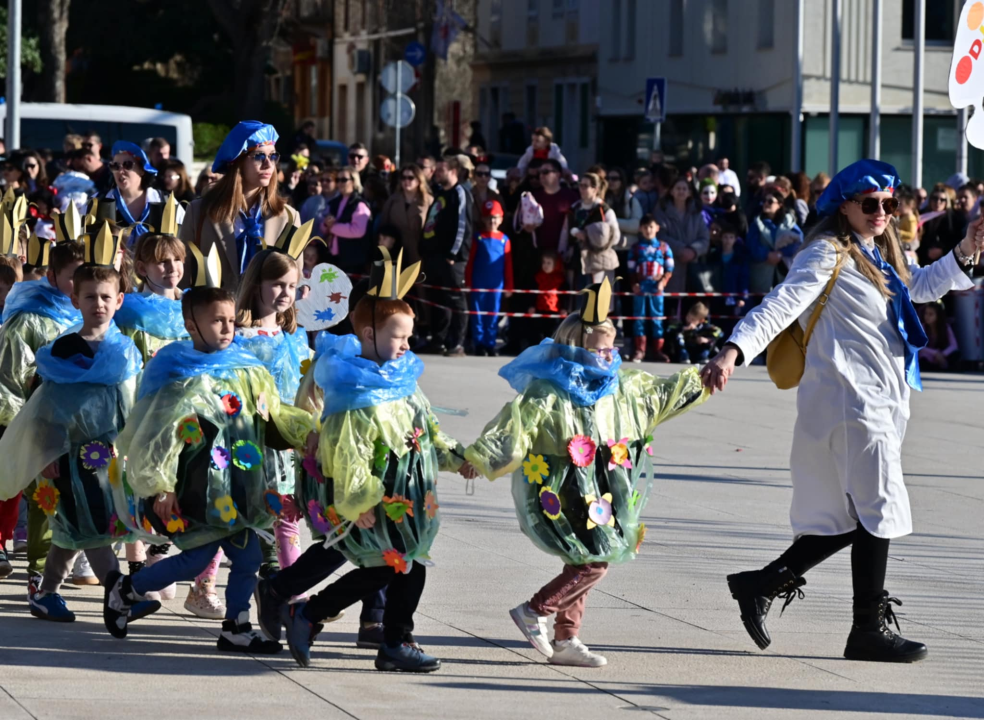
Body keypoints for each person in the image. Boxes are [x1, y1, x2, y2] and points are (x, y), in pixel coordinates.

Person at [700, 159, 983, 663]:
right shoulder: (826, 252)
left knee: (847, 519)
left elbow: (919, 287)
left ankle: (761, 584)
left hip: (877, 400)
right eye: (870, 203)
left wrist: (966, 249)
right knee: (880, 509)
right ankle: (867, 628)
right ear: (844, 206)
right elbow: (780, 305)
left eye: (889, 203)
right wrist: (732, 351)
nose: (882, 212)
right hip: (852, 402)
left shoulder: (881, 251)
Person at [466, 280, 707, 668]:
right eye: (599, 350)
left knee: (586, 560)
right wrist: (482, 457)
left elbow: (659, 394)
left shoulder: (618, 386)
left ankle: (567, 638)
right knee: (593, 561)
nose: (609, 356)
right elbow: (516, 425)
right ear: (573, 349)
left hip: (601, 485)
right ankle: (536, 609)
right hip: (564, 486)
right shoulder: (549, 390)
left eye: (612, 348)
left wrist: (706, 376)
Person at [102, 253, 317, 652]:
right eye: (217, 320)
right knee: (195, 559)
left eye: (231, 320)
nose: (227, 328)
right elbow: (157, 435)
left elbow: (274, 412)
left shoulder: (246, 366)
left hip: (238, 486)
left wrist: (308, 432)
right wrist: (162, 486)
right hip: (195, 486)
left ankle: (236, 626)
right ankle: (127, 589)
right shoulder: (175, 371)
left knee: (248, 558)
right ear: (191, 325)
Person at [279, 250, 474, 672]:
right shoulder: (354, 390)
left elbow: (426, 431)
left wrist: (458, 458)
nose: (406, 345)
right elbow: (347, 451)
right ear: (369, 333)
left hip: (406, 499)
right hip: (377, 500)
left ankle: (347, 626)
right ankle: (384, 638)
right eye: (398, 337)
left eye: (408, 337)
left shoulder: (401, 380)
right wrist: (358, 500)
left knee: (401, 566)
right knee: (397, 566)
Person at [0, 226, 159, 623]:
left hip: (111, 457)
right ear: (75, 299)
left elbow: (132, 399)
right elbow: (48, 406)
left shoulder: (124, 349)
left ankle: (46, 593)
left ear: (119, 299)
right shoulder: (64, 351)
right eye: (90, 297)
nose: (98, 304)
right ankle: (120, 593)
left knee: (75, 530)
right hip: (72, 457)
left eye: (106, 297)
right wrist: (47, 453)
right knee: (92, 526)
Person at [0, 238, 84, 593]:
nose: (82, 284)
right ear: (52, 276)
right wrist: (24, 427)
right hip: (35, 422)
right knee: (39, 496)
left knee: (64, 498)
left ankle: (55, 568)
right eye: (75, 275)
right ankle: (38, 571)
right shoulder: (29, 320)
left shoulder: (89, 316)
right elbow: (10, 376)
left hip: (76, 428)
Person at [180, 121, 299, 291]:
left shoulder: (289, 217)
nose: (268, 164)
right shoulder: (198, 211)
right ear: (237, 162)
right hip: (215, 306)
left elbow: (295, 279)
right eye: (259, 156)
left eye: (273, 156)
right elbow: (183, 274)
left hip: (267, 308)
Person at [420, 155, 474, 357]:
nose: (437, 174)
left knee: (455, 299)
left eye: (441, 170)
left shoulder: (460, 193)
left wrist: (453, 253)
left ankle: (457, 343)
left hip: (451, 258)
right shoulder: (440, 193)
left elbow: (463, 226)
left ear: (453, 171)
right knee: (437, 299)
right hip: (433, 257)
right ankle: (438, 340)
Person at [106, 141, 185, 244]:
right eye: (115, 166)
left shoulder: (166, 202)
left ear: (142, 170)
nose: (121, 171)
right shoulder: (98, 203)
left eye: (128, 165)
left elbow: (184, 239)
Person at [465, 200, 513, 356]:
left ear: (501, 219)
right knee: (477, 313)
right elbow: (471, 261)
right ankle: (479, 343)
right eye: (489, 218)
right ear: (483, 220)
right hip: (479, 282)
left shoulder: (505, 240)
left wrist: (509, 286)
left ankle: (490, 343)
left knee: (493, 313)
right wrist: (468, 281)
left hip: (496, 284)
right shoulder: (478, 237)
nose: (492, 221)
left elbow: (508, 265)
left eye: (495, 218)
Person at [627, 214, 673, 363]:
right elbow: (630, 268)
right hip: (640, 287)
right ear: (640, 228)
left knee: (657, 319)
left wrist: (663, 281)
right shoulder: (635, 248)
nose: (648, 230)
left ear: (657, 228)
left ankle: (658, 351)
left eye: (651, 227)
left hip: (657, 288)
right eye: (645, 227)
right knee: (639, 318)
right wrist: (634, 284)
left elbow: (669, 267)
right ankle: (640, 350)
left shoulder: (664, 247)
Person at [653, 178, 710, 293]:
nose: (681, 191)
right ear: (671, 192)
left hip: (693, 267)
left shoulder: (696, 213)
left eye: (684, 189)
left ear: (689, 193)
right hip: (669, 266)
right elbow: (660, 236)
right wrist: (680, 250)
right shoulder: (661, 212)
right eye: (678, 188)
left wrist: (693, 251)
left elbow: (704, 238)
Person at [569, 173, 620, 291]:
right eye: (580, 185)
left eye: (585, 186)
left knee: (597, 298)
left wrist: (592, 237)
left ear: (595, 189)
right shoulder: (575, 208)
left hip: (598, 261)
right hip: (577, 260)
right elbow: (565, 232)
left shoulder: (604, 210)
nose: (581, 189)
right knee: (578, 296)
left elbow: (616, 237)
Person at [746, 191, 803, 294]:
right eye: (764, 201)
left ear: (780, 204)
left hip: (784, 273)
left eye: (770, 201)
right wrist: (767, 254)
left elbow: (799, 242)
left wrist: (781, 253)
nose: (766, 204)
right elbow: (752, 246)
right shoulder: (756, 223)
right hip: (762, 275)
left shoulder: (789, 222)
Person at [321, 165, 372, 275]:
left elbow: (357, 230)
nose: (340, 183)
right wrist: (326, 224)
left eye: (343, 180)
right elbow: (323, 225)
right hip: (334, 257)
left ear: (353, 181)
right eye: (337, 180)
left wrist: (332, 227)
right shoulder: (334, 202)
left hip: (353, 260)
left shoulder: (360, 204)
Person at [380, 164, 432, 266]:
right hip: (395, 251)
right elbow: (384, 224)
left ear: (419, 180)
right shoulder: (393, 200)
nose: (406, 181)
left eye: (410, 178)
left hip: (418, 253)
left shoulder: (428, 201)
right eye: (403, 178)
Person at [917, 183, 965, 266]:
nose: (938, 202)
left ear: (947, 202)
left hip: (946, 262)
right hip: (923, 261)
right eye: (935, 198)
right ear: (930, 200)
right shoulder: (921, 215)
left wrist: (942, 251)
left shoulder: (955, 218)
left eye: (942, 199)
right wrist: (925, 251)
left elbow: (958, 241)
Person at [918, 303, 959, 371]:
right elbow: (920, 346)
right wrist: (935, 353)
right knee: (923, 359)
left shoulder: (945, 327)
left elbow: (954, 345)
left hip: (942, 354)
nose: (927, 316)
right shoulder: (922, 327)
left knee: (956, 355)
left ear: (938, 315)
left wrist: (943, 354)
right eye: (926, 313)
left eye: (931, 314)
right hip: (929, 355)